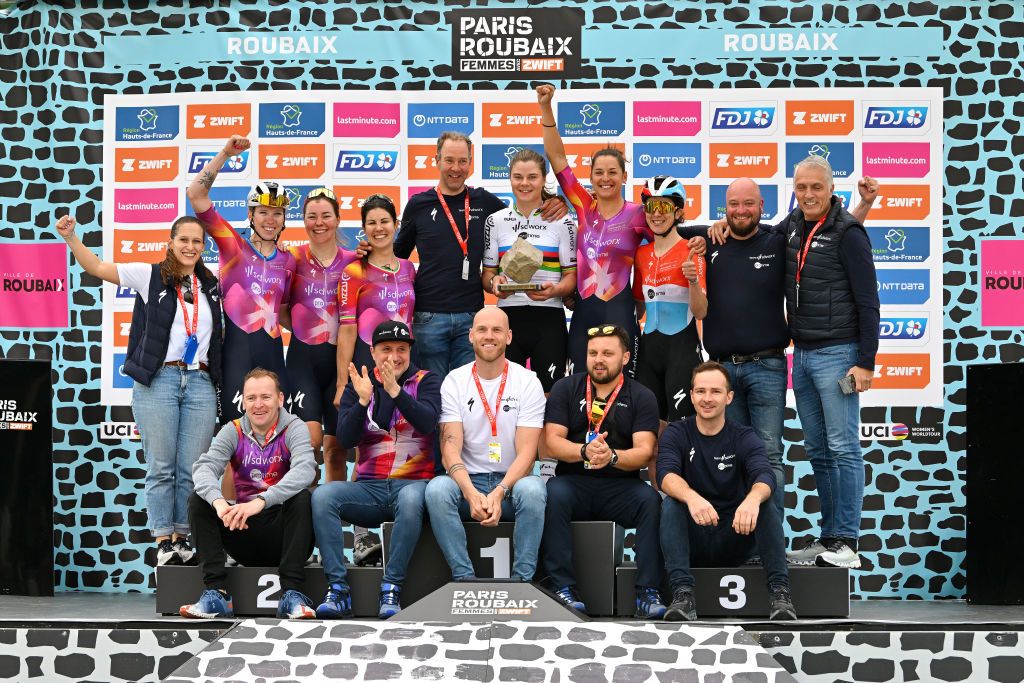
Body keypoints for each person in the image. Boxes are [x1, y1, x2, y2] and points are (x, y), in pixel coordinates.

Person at [685, 175, 877, 519]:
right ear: (724, 209)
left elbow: (836, 237)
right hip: (725, 370)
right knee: (739, 456)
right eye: (733, 205)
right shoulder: (713, 239)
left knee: (771, 455)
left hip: (771, 367)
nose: (740, 211)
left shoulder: (778, 239)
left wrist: (864, 204)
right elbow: (663, 228)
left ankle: (777, 542)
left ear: (762, 207)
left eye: (748, 204)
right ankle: (744, 542)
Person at [56, 213, 221, 567]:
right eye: (184, 240)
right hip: (158, 381)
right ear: (171, 243)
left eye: (197, 241)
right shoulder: (150, 275)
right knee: (161, 466)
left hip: (201, 383)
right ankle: (164, 540)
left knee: (192, 469)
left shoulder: (212, 284)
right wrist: (72, 239)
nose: (190, 247)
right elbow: (98, 268)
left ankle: (182, 537)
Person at [394, 131, 566, 379]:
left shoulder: (484, 201)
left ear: (470, 162)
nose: (456, 168)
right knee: (432, 394)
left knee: (472, 394)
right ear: (437, 160)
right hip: (428, 317)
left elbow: (521, 212)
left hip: (472, 317)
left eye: (463, 161)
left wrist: (555, 202)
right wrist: (369, 251)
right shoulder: (418, 204)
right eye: (449, 160)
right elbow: (396, 255)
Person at [781, 156, 879, 570]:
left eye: (815, 188)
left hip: (839, 356)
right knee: (819, 451)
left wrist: (866, 363)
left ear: (830, 189)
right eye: (801, 187)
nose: (807, 195)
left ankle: (848, 542)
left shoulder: (851, 234)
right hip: (801, 356)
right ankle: (830, 539)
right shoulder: (791, 227)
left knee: (843, 449)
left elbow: (869, 302)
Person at [312, 321, 441, 619]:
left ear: (410, 351)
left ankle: (391, 587)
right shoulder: (361, 383)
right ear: (372, 351)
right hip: (369, 489)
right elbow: (345, 440)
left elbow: (428, 423)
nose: (394, 357)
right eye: (386, 349)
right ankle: (338, 589)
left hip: (414, 485)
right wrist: (361, 401)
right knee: (323, 497)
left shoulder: (427, 380)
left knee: (409, 500)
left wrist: (396, 392)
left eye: (401, 350)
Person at [541, 324, 665, 618]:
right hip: (574, 483)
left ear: (624, 358)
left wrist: (611, 457)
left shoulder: (642, 395)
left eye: (607, 353)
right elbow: (552, 442)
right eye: (593, 353)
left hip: (620, 486)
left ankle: (647, 592)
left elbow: (644, 451)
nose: (599, 359)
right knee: (552, 493)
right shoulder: (566, 388)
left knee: (651, 502)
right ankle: (562, 587)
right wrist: (583, 451)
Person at [657, 361, 796, 621]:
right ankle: (682, 596)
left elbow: (765, 474)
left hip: (735, 535)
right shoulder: (677, 432)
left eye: (715, 392)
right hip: (695, 536)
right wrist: (692, 497)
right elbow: (665, 475)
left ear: (729, 397)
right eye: (700, 391)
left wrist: (752, 499)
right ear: (691, 395)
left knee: (765, 502)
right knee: (670, 504)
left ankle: (780, 594)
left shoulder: (744, 436)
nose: (707, 399)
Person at [423, 307, 547, 582]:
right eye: (482, 329)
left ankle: (521, 582)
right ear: (470, 336)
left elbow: (528, 452)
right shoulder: (454, 381)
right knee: (437, 489)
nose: (489, 336)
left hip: (512, 484)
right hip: (469, 483)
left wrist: (501, 491)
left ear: (509, 337)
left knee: (534, 488)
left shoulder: (528, 382)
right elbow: (449, 447)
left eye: (497, 330)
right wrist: (469, 492)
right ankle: (464, 579)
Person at [181, 369, 317, 619]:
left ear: (280, 399)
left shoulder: (294, 427)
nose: (258, 405)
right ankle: (215, 594)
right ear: (243, 401)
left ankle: (292, 595)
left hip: (283, 533)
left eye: (265, 397)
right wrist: (220, 503)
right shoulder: (232, 430)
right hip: (243, 531)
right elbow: (204, 468)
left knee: (303, 498)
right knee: (199, 500)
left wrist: (261, 501)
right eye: (251, 398)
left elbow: (305, 470)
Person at [186, 135, 295, 422]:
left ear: (284, 219)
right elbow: (196, 194)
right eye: (263, 212)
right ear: (250, 214)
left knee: (278, 442)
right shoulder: (232, 245)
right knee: (232, 442)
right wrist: (225, 153)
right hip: (234, 356)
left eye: (277, 213)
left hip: (273, 356)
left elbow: (289, 312)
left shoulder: (289, 259)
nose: (270, 219)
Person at [482, 147, 577, 392]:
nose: (525, 184)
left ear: (544, 179)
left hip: (549, 318)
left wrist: (555, 290)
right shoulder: (496, 221)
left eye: (532, 177)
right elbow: (488, 274)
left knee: (549, 395)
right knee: (506, 396)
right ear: (510, 178)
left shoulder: (563, 221)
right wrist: (494, 284)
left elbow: (571, 277)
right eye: (518, 177)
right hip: (507, 319)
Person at [282, 188, 358, 482]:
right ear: (303, 221)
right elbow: (280, 308)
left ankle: (333, 519)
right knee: (309, 442)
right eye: (311, 216)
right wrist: (305, 327)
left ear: (338, 219)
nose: (319, 222)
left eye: (326, 215)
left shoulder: (354, 260)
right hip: (304, 361)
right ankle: (305, 514)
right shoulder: (292, 258)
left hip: (341, 363)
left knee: (336, 448)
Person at [633, 176, 707, 426]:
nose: (656, 214)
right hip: (648, 350)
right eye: (650, 207)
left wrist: (694, 281)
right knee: (649, 432)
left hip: (681, 349)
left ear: (677, 212)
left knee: (681, 429)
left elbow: (700, 312)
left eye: (663, 207)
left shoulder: (692, 251)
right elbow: (637, 305)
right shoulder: (641, 254)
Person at [336, 194, 416, 400]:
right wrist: (342, 384)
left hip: (404, 364)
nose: (378, 228)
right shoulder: (353, 272)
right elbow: (346, 331)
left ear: (396, 224)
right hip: (368, 365)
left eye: (384, 221)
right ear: (364, 228)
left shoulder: (408, 268)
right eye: (371, 223)